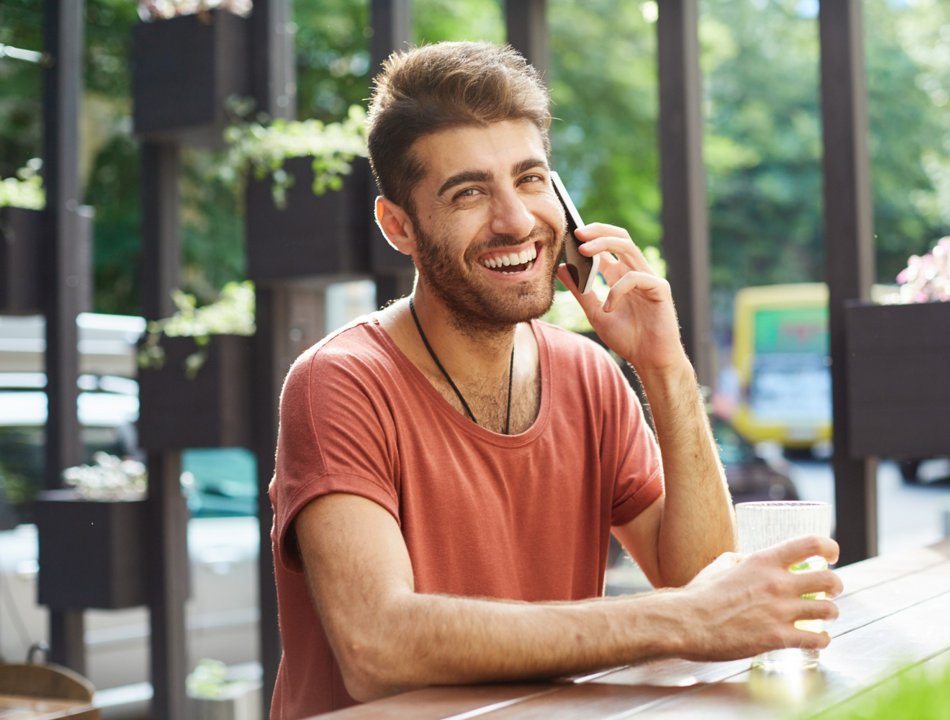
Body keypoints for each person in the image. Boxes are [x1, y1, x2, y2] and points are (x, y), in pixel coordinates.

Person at [268, 40, 842, 719]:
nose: (514, 221)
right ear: (399, 226)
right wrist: (676, 620)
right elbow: (378, 647)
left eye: (531, 179)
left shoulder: (588, 374)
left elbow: (701, 585)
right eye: (469, 192)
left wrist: (664, 367)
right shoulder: (338, 383)